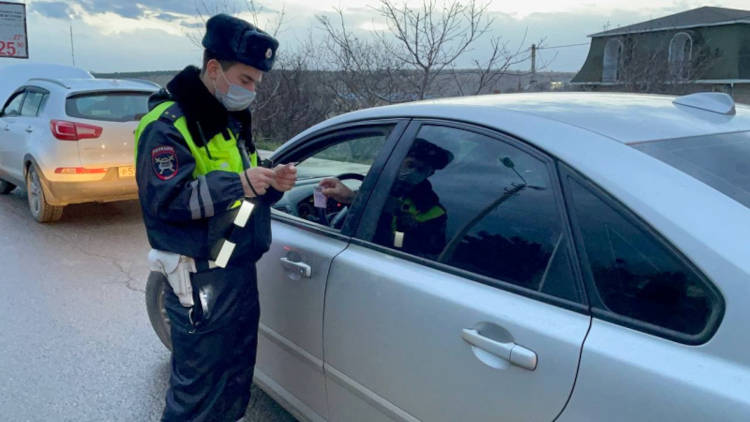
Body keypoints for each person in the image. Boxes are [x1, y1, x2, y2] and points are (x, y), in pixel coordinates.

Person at [133, 14, 296, 422]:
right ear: (213, 69)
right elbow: (167, 201)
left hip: (235, 269)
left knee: (234, 378)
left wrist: (272, 183)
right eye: (245, 80)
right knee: (197, 392)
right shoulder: (167, 125)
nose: (252, 92)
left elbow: (243, 197)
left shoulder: (228, 121)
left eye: (257, 84)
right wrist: (239, 183)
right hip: (198, 276)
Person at [319, 138, 453, 257]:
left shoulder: (433, 212)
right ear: (398, 163)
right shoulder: (379, 187)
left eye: (421, 170)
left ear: (429, 174)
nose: (413, 173)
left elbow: (399, 246)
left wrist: (410, 227)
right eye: (410, 165)